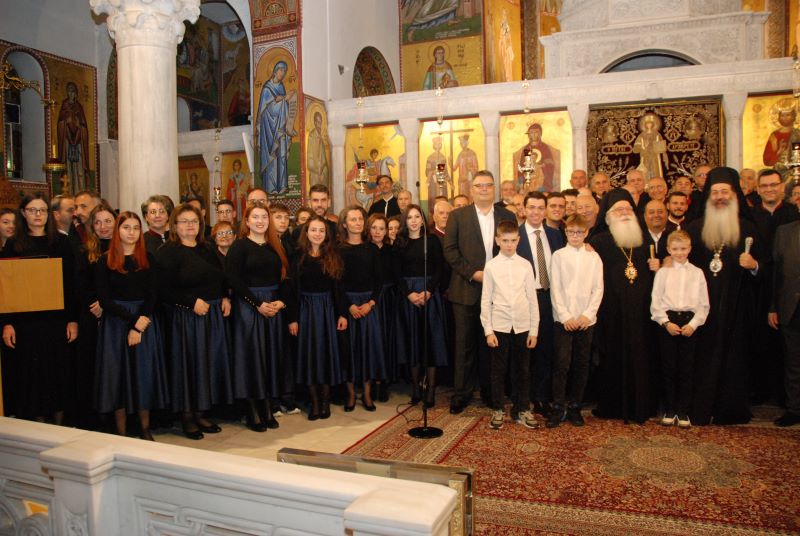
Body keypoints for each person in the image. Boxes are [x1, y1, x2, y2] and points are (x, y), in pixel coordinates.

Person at [685, 167, 764, 425]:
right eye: (715, 192)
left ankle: (730, 409)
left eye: (724, 192)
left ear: (734, 195)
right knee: (702, 357)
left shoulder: (748, 228)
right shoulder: (694, 228)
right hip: (701, 307)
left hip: (736, 306)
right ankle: (700, 406)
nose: (719, 197)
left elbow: (768, 268)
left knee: (734, 357)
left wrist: (754, 266)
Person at [156, 203, 233, 439]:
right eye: (185, 221)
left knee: (207, 364)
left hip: (212, 315)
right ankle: (187, 416)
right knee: (188, 366)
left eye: (194, 221)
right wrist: (191, 303)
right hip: (186, 318)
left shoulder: (207, 248)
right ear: (174, 226)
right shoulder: (167, 252)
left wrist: (225, 296)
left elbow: (220, 277)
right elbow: (162, 290)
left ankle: (201, 412)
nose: (190, 225)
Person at [443, 171, 516, 414]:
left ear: (494, 189)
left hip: (498, 292)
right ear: (471, 189)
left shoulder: (507, 216)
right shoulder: (458, 216)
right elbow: (450, 250)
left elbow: (513, 249)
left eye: (488, 185)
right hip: (466, 289)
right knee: (464, 345)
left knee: (491, 345)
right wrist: (473, 273)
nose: (483, 189)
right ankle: (461, 394)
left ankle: (490, 393)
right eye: (478, 185)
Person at [1, 194, 78, 423]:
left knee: (58, 373)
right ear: (23, 213)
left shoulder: (61, 243)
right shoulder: (13, 244)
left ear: (48, 214)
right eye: (32, 210)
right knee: (32, 377)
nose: (38, 215)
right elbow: (6, 287)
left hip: (56, 321)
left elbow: (71, 284)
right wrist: (7, 323)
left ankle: (60, 425)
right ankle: (38, 425)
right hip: (26, 323)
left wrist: (72, 319)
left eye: (42, 210)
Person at [94, 211, 168, 441]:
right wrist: (132, 322)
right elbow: (104, 300)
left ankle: (145, 429)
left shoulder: (148, 258)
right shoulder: (105, 261)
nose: (132, 232)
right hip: (116, 323)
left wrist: (140, 324)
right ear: (118, 231)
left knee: (143, 374)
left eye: (136, 228)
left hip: (144, 321)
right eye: (126, 228)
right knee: (118, 377)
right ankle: (122, 432)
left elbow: (153, 293)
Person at [588, 188, 656, 423]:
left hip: (641, 311)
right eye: (618, 210)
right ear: (607, 216)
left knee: (641, 355)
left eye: (628, 209)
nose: (625, 213)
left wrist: (658, 266)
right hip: (611, 311)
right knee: (612, 356)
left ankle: (642, 405)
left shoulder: (644, 240)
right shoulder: (598, 242)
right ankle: (612, 405)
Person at [226, 204, 289, 432]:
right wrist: (257, 303)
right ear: (247, 221)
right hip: (249, 307)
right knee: (252, 358)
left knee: (269, 357)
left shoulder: (275, 245)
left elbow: (286, 277)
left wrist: (281, 301)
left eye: (264, 217)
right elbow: (232, 279)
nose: (260, 221)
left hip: (272, 306)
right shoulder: (239, 246)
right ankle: (252, 410)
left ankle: (267, 406)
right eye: (255, 217)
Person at [481, 220, 539, 430]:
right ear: (497, 240)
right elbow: (486, 300)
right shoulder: (491, 266)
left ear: (518, 240)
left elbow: (532, 299)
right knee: (498, 370)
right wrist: (488, 330)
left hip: (522, 325)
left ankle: (522, 408)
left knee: (522, 369)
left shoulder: (525, 265)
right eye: (505, 240)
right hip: (500, 325)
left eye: (513, 240)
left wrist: (534, 330)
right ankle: (498, 408)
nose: (509, 244)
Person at [287, 215, 347, 420]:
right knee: (309, 356)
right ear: (306, 232)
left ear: (326, 234)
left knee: (326, 355)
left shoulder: (333, 256)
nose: (317, 234)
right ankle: (313, 403)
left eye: (321, 230)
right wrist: (293, 318)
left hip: (327, 310)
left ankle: (325, 401)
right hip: (305, 311)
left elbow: (339, 288)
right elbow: (291, 290)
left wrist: (342, 314)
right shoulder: (297, 257)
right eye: (313, 230)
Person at [650, 230, 710, 429]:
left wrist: (693, 324)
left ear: (690, 249)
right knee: (668, 367)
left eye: (683, 249)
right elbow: (655, 301)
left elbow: (704, 304)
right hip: (668, 322)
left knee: (686, 368)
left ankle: (683, 410)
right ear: (668, 249)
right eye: (675, 249)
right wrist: (666, 323)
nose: (679, 253)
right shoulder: (663, 272)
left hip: (689, 323)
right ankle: (669, 409)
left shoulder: (697, 272)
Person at [548, 214, 603, 428]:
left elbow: (598, 288)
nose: (575, 236)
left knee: (582, 364)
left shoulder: (594, 257)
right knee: (561, 364)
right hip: (564, 319)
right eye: (571, 232)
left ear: (586, 233)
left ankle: (575, 406)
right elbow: (556, 288)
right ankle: (558, 407)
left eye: (579, 232)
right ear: (566, 232)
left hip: (585, 320)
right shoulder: (559, 256)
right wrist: (565, 316)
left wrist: (587, 315)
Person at [395, 205, 449, 408]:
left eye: (417, 216)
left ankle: (431, 388)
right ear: (405, 221)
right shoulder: (400, 242)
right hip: (408, 296)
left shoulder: (431, 241)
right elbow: (396, 272)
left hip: (429, 295)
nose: (414, 220)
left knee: (431, 342)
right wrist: (408, 293)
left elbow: (439, 268)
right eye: (409, 217)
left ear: (423, 219)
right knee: (413, 341)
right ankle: (416, 388)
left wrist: (428, 290)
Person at [516, 192, 565, 413]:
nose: (536, 212)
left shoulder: (556, 235)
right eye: (531, 207)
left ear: (545, 211)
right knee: (524, 351)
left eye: (540, 208)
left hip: (549, 297)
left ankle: (542, 397)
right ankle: (522, 398)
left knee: (546, 349)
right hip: (525, 300)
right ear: (524, 210)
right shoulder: (515, 236)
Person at [337, 206, 385, 411]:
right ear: (344, 224)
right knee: (348, 350)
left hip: (367, 305)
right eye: (353, 219)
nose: (357, 223)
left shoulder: (372, 249)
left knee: (368, 350)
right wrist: (348, 306)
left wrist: (371, 303)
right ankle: (350, 394)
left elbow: (379, 281)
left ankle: (366, 393)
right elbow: (336, 282)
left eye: (360, 219)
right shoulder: (338, 250)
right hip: (347, 305)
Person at [769, 218, 800, 426]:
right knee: (793, 363)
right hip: (791, 307)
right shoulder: (784, 231)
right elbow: (776, 273)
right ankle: (794, 409)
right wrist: (773, 307)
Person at [367, 213, 396, 401]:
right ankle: (372, 381)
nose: (377, 232)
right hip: (371, 298)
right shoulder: (365, 249)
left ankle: (385, 381)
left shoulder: (391, 250)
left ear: (386, 231)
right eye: (374, 228)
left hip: (389, 298)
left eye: (381, 228)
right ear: (368, 229)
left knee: (387, 339)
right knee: (373, 340)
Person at [257, 61, 296, 195]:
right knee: (272, 157)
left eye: (284, 72)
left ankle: (282, 186)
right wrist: (284, 99)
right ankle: (271, 188)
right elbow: (265, 111)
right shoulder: (266, 89)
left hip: (280, 128)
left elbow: (283, 106)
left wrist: (284, 99)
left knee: (282, 155)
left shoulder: (281, 87)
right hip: (269, 130)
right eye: (281, 71)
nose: (282, 74)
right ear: (275, 71)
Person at [57, 81, 90, 193]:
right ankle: (69, 191)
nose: (71, 93)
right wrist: (66, 122)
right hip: (67, 139)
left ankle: (80, 191)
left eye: (73, 91)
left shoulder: (79, 107)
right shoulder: (64, 105)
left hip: (78, 140)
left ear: (76, 93)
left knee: (79, 167)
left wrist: (79, 125)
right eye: (69, 91)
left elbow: (84, 126)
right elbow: (60, 123)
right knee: (68, 168)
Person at [514, 123, 559, 192]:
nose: (534, 135)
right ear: (529, 135)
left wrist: (542, 164)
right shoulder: (526, 148)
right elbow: (521, 166)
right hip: (529, 178)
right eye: (531, 132)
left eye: (536, 132)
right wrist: (521, 183)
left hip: (542, 178)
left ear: (540, 134)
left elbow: (550, 163)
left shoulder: (544, 147)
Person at [633, 113, 668, 181]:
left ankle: (657, 182)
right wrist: (643, 147)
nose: (649, 125)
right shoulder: (642, 135)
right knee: (645, 171)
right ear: (645, 125)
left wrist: (664, 154)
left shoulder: (657, 134)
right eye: (647, 124)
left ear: (653, 124)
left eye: (650, 124)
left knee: (655, 169)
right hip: (645, 156)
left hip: (655, 156)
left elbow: (661, 147)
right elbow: (635, 148)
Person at [307, 111, 331, 189]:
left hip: (323, 171)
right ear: (314, 122)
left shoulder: (322, 135)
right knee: (315, 191)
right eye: (318, 122)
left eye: (320, 122)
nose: (319, 124)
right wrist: (318, 172)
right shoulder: (312, 136)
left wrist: (323, 171)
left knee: (324, 191)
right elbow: (310, 157)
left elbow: (323, 156)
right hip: (315, 172)